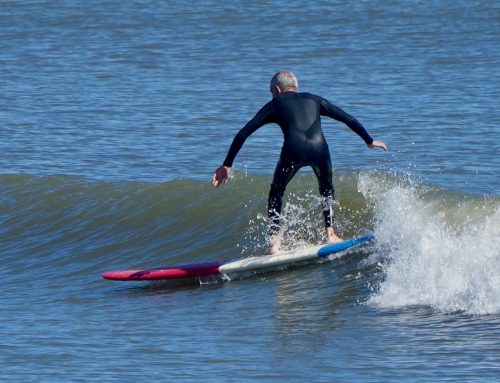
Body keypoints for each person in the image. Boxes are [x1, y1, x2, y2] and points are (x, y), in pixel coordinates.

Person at [212, 71, 387, 254]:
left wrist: (227, 164)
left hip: (293, 151)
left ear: (278, 90)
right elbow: (347, 118)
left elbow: (243, 133)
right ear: (295, 87)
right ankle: (330, 233)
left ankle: (275, 243)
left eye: (272, 92)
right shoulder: (314, 99)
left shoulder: (275, 104)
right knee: (326, 188)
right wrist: (369, 140)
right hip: (320, 150)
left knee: (276, 191)